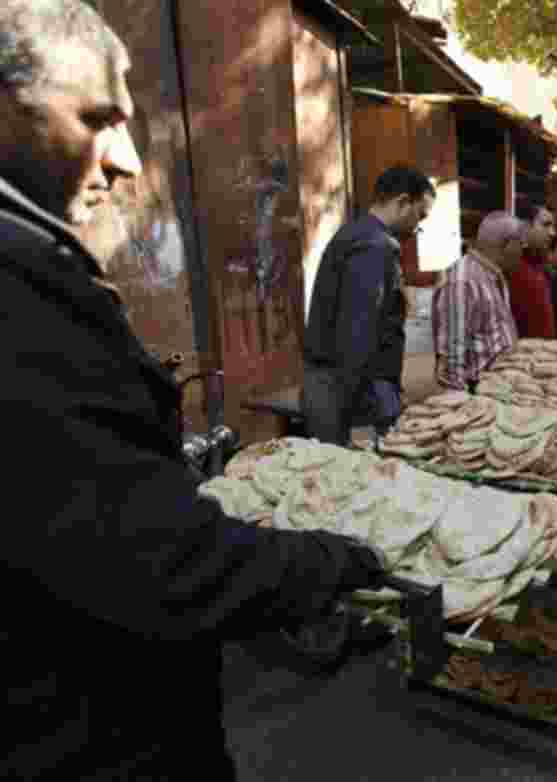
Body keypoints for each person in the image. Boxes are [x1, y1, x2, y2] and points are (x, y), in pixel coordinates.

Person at [0, 3, 388, 779]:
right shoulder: (18, 296)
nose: (126, 160)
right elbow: (157, 562)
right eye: (95, 119)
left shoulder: (38, 263)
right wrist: (330, 565)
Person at [304, 165, 435, 446]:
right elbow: (357, 334)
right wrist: (360, 417)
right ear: (402, 203)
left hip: (341, 386)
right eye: (419, 216)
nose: (417, 227)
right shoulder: (375, 246)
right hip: (347, 392)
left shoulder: (357, 234)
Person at [433, 211, 521, 389]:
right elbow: (452, 357)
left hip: (499, 385)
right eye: (521, 244)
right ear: (508, 245)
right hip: (477, 389)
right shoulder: (463, 280)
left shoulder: (494, 274)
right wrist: (465, 405)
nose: (522, 251)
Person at [508, 203, 557, 338]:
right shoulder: (510, 268)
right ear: (526, 227)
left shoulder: (541, 268)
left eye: (553, 226)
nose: (553, 233)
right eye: (546, 225)